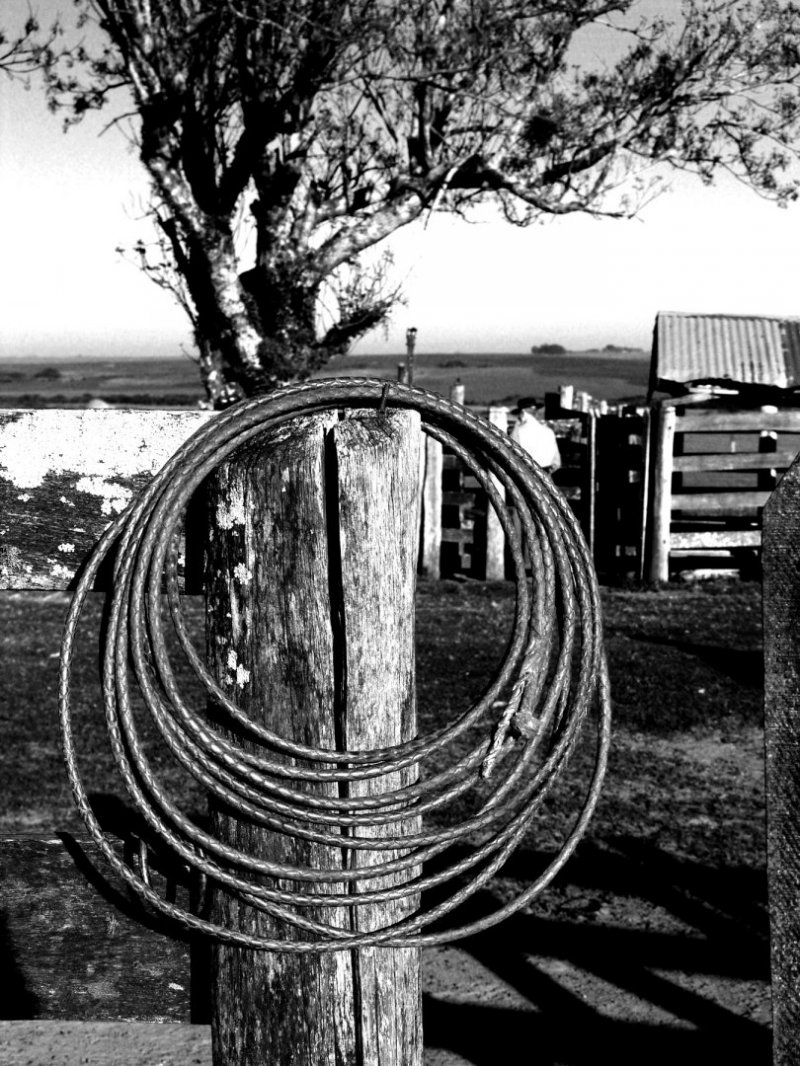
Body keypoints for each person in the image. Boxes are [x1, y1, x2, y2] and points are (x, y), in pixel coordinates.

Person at [510, 401, 561, 474]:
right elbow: (556, 463)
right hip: (545, 474)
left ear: (522, 413)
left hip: (526, 474)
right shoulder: (549, 432)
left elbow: (512, 455)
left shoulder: (518, 432)